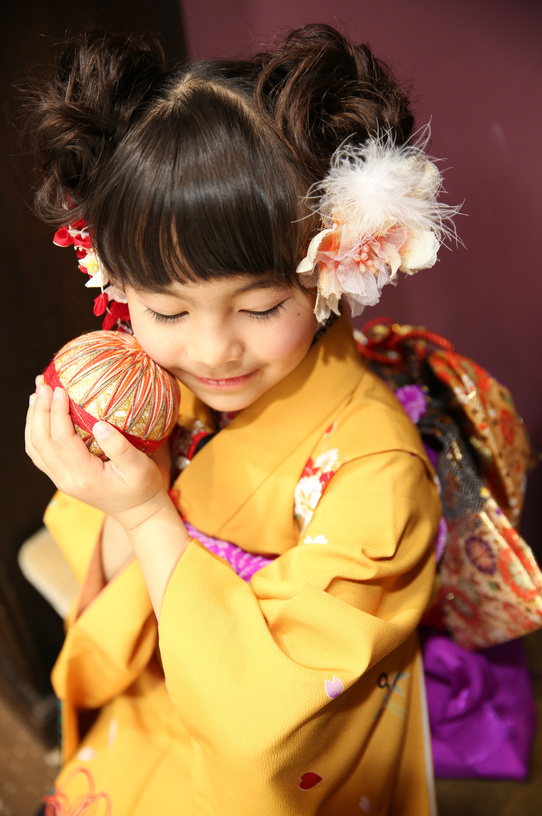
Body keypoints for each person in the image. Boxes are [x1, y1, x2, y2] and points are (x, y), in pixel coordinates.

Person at [23, 24, 449, 815]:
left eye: (260, 305)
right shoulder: (157, 389)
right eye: (165, 307)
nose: (213, 351)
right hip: (149, 715)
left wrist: (151, 515)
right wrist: (118, 499)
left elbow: (274, 723)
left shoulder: (376, 472)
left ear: (328, 273)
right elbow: (108, 603)